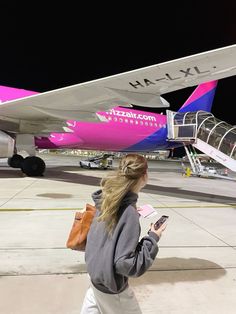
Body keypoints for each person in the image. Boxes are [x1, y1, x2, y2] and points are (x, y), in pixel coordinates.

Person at [80, 153, 167, 314]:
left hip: (95, 279)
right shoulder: (128, 213)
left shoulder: (108, 200)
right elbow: (125, 264)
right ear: (145, 176)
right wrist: (153, 237)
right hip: (112, 291)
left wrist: (131, 213)